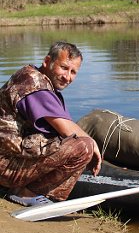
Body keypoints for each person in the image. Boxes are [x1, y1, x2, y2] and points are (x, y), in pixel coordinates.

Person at [0, 41, 101, 206]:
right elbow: (67, 130)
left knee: (79, 143)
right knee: (84, 147)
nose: (67, 77)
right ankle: (26, 194)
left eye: (73, 72)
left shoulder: (36, 78)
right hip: (6, 166)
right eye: (64, 67)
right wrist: (94, 146)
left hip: (8, 160)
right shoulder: (35, 86)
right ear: (47, 62)